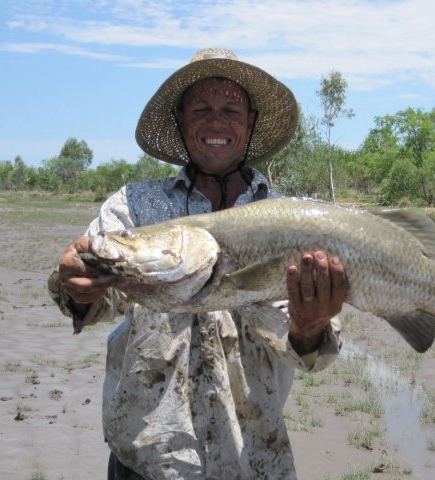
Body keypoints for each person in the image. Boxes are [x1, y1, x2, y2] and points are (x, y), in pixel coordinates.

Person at [48, 47, 347, 479]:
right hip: (147, 459)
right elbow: (95, 299)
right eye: (202, 108)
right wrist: (75, 288)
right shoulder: (134, 207)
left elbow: (310, 355)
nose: (216, 121)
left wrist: (311, 324)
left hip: (252, 458)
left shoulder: (292, 222)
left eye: (230, 108)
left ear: (249, 123)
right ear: (181, 123)